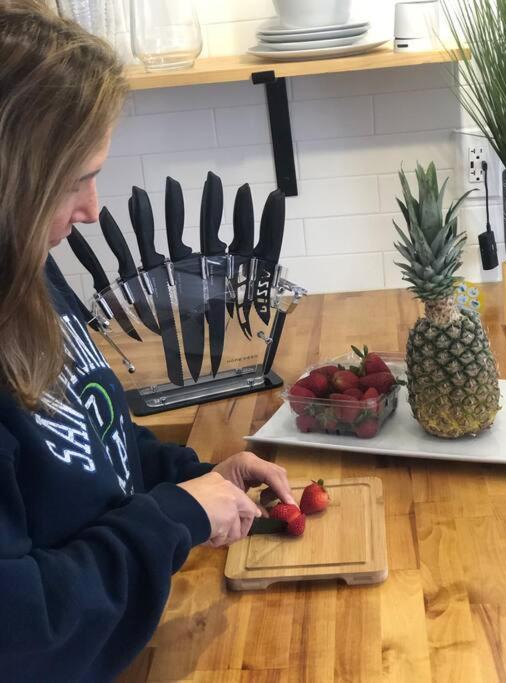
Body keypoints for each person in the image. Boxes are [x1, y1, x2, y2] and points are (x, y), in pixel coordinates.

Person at [0, 2, 296, 681]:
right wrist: (172, 516)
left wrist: (190, 476)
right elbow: (22, 631)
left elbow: (97, 433)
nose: (93, 208)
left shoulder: (27, 271)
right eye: (75, 179)